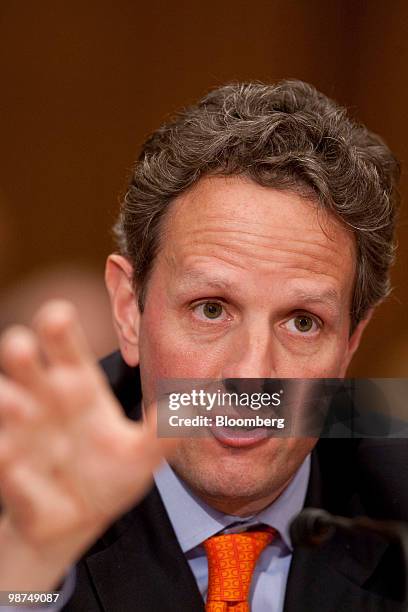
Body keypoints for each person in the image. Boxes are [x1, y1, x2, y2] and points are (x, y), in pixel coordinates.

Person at [0, 80, 406, 611]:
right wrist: (29, 565)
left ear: (351, 341)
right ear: (129, 310)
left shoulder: (392, 500)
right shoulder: (24, 491)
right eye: (211, 309)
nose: (251, 373)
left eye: (303, 322)